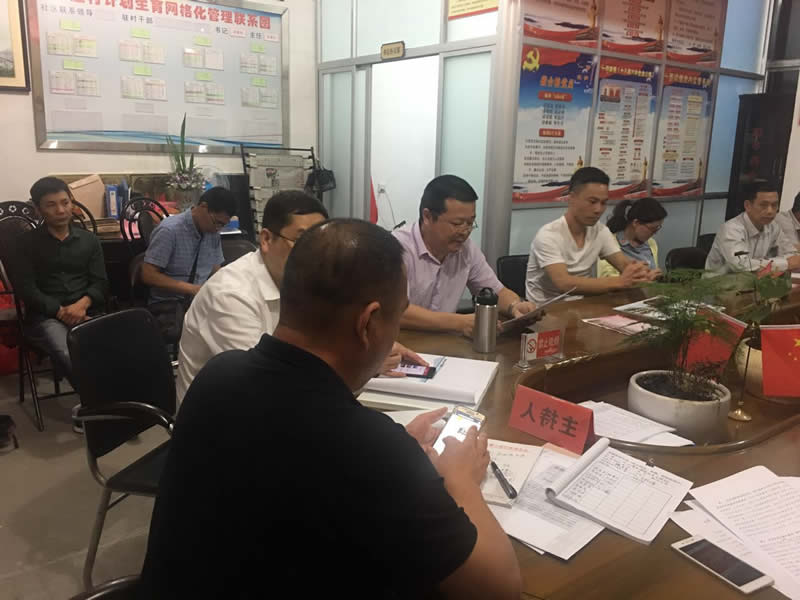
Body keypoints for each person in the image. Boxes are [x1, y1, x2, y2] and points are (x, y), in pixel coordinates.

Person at [138, 219, 521, 599]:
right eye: (398, 317)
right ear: (368, 324)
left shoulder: (218, 375)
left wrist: (398, 447)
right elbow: (498, 588)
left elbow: (291, 464)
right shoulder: (367, 445)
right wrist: (459, 479)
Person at [176, 191, 425, 402]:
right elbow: (267, 386)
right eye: (302, 240)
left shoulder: (307, 285)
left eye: (321, 242)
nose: (314, 253)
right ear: (266, 239)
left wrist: (376, 345)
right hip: (229, 423)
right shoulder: (230, 295)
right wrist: (363, 364)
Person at [16, 177, 108, 431]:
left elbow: (100, 282)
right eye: (51, 205)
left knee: (114, 343)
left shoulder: (89, 240)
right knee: (69, 350)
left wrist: (82, 305)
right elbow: (26, 289)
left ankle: (107, 402)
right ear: (37, 209)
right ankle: (97, 405)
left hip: (86, 309)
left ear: (72, 203)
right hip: (45, 316)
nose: (60, 210)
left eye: (65, 202)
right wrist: (60, 311)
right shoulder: (24, 244)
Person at [393, 175, 536, 337]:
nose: (465, 232)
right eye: (457, 223)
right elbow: (396, 311)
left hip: (445, 344)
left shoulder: (466, 249)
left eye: (470, 223)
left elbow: (496, 290)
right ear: (427, 217)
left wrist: (515, 306)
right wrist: (458, 322)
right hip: (402, 343)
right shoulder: (397, 248)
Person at [526, 167, 659, 304]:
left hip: (581, 306)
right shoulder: (548, 235)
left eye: (603, 203)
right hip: (544, 310)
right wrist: (620, 282)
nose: (598, 210)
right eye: (592, 201)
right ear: (571, 198)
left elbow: (624, 264)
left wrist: (641, 274)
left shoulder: (601, 231)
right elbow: (564, 283)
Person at [142, 186, 236, 303]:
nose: (218, 229)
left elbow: (215, 269)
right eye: (217, 223)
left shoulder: (213, 233)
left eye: (223, 225)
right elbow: (148, 275)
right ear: (203, 207)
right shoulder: (169, 230)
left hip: (199, 299)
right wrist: (192, 289)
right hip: (171, 303)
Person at [706, 180, 800, 275]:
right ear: (747, 206)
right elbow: (741, 264)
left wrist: (782, 263)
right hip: (720, 282)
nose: (770, 211)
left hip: (755, 281)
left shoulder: (773, 227)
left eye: (774, 205)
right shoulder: (731, 229)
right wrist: (784, 263)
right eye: (763, 205)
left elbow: (792, 255)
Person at [598, 197, 667, 277]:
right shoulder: (609, 243)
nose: (655, 233)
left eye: (658, 228)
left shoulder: (651, 243)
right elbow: (607, 277)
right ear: (636, 223)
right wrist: (644, 277)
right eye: (652, 229)